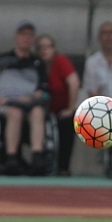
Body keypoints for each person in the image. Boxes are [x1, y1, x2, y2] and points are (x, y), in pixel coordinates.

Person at [0, 21, 51, 176]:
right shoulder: (0, 60)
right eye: (23, 35)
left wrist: (31, 97)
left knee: (38, 111)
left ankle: (37, 157)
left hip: (29, 102)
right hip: (6, 103)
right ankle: (11, 158)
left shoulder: (37, 63)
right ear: (16, 37)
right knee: (15, 112)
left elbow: (43, 91)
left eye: (30, 35)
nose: (26, 38)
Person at [35, 34, 80, 176]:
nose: (44, 50)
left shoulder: (60, 61)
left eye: (47, 47)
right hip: (42, 110)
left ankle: (63, 167)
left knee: (67, 121)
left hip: (62, 108)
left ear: (54, 48)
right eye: (40, 47)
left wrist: (70, 108)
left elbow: (74, 82)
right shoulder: (37, 65)